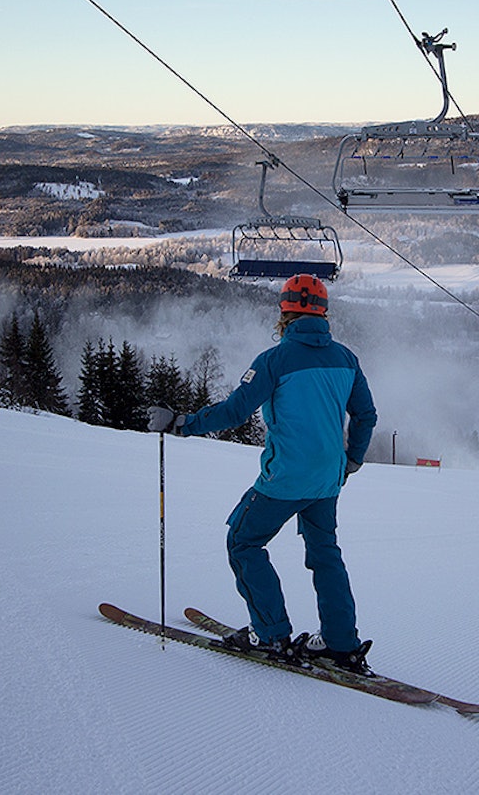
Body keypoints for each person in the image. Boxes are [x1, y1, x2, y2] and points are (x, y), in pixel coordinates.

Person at [146, 273, 378, 675]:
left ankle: (270, 633)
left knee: (243, 540)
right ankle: (342, 643)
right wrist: (352, 459)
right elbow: (366, 415)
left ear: (284, 313)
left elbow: (236, 411)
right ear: (323, 313)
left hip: (286, 478)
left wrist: (181, 423)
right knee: (325, 554)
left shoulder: (274, 361)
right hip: (327, 480)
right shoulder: (346, 358)